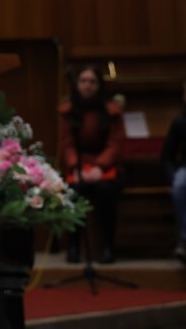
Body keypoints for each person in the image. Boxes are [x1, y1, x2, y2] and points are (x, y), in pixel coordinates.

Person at [58, 65, 126, 264]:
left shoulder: (111, 111)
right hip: (78, 165)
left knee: (106, 191)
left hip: (106, 165)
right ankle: (73, 247)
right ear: (77, 84)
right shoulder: (68, 111)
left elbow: (115, 143)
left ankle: (107, 247)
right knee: (73, 191)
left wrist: (100, 166)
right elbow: (67, 143)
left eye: (92, 82)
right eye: (83, 81)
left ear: (99, 85)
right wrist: (75, 167)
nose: (87, 86)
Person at [160, 80, 186, 264]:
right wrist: (172, 176)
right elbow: (166, 155)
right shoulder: (180, 122)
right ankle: (184, 240)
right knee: (180, 184)